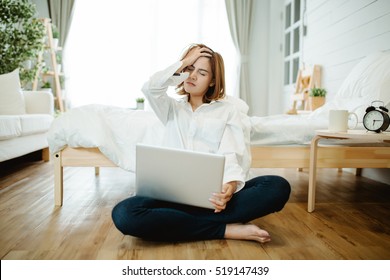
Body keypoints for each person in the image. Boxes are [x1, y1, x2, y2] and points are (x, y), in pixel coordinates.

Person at [112, 43, 290, 243]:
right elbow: (151, 87)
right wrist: (184, 62)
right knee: (123, 213)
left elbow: (231, 155)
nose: (193, 76)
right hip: (171, 198)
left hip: (213, 200)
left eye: (202, 72)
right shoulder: (171, 108)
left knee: (277, 186)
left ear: (213, 81)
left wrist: (229, 188)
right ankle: (224, 230)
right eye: (189, 70)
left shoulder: (227, 111)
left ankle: (181, 223)